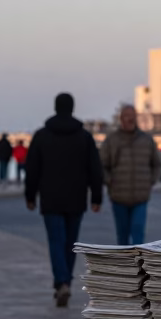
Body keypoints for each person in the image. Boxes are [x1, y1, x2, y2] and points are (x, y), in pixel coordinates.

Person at [25, 93, 103, 306]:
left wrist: (30, 195)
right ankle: (65, 281)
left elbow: (32, 169)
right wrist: (96, 196)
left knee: (55, 241)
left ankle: (61, 282)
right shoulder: (84, 137)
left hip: (50, 198)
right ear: (72, 108)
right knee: (70, 242)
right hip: (76, 197)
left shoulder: (41, 136)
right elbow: (95, 169)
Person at [100, 104, 161, 245]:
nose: (130, 120)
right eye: (126, 116)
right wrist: (110, 181)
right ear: (121, 119)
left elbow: (157, 164)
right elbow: (102, 166)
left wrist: (150, 181)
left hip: (140, 197)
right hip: (118, 197)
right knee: (122, 237)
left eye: (132, 116)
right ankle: (124, 266)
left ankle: (138, 266)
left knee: (138, 234)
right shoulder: (112, 140)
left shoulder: (146, 140)